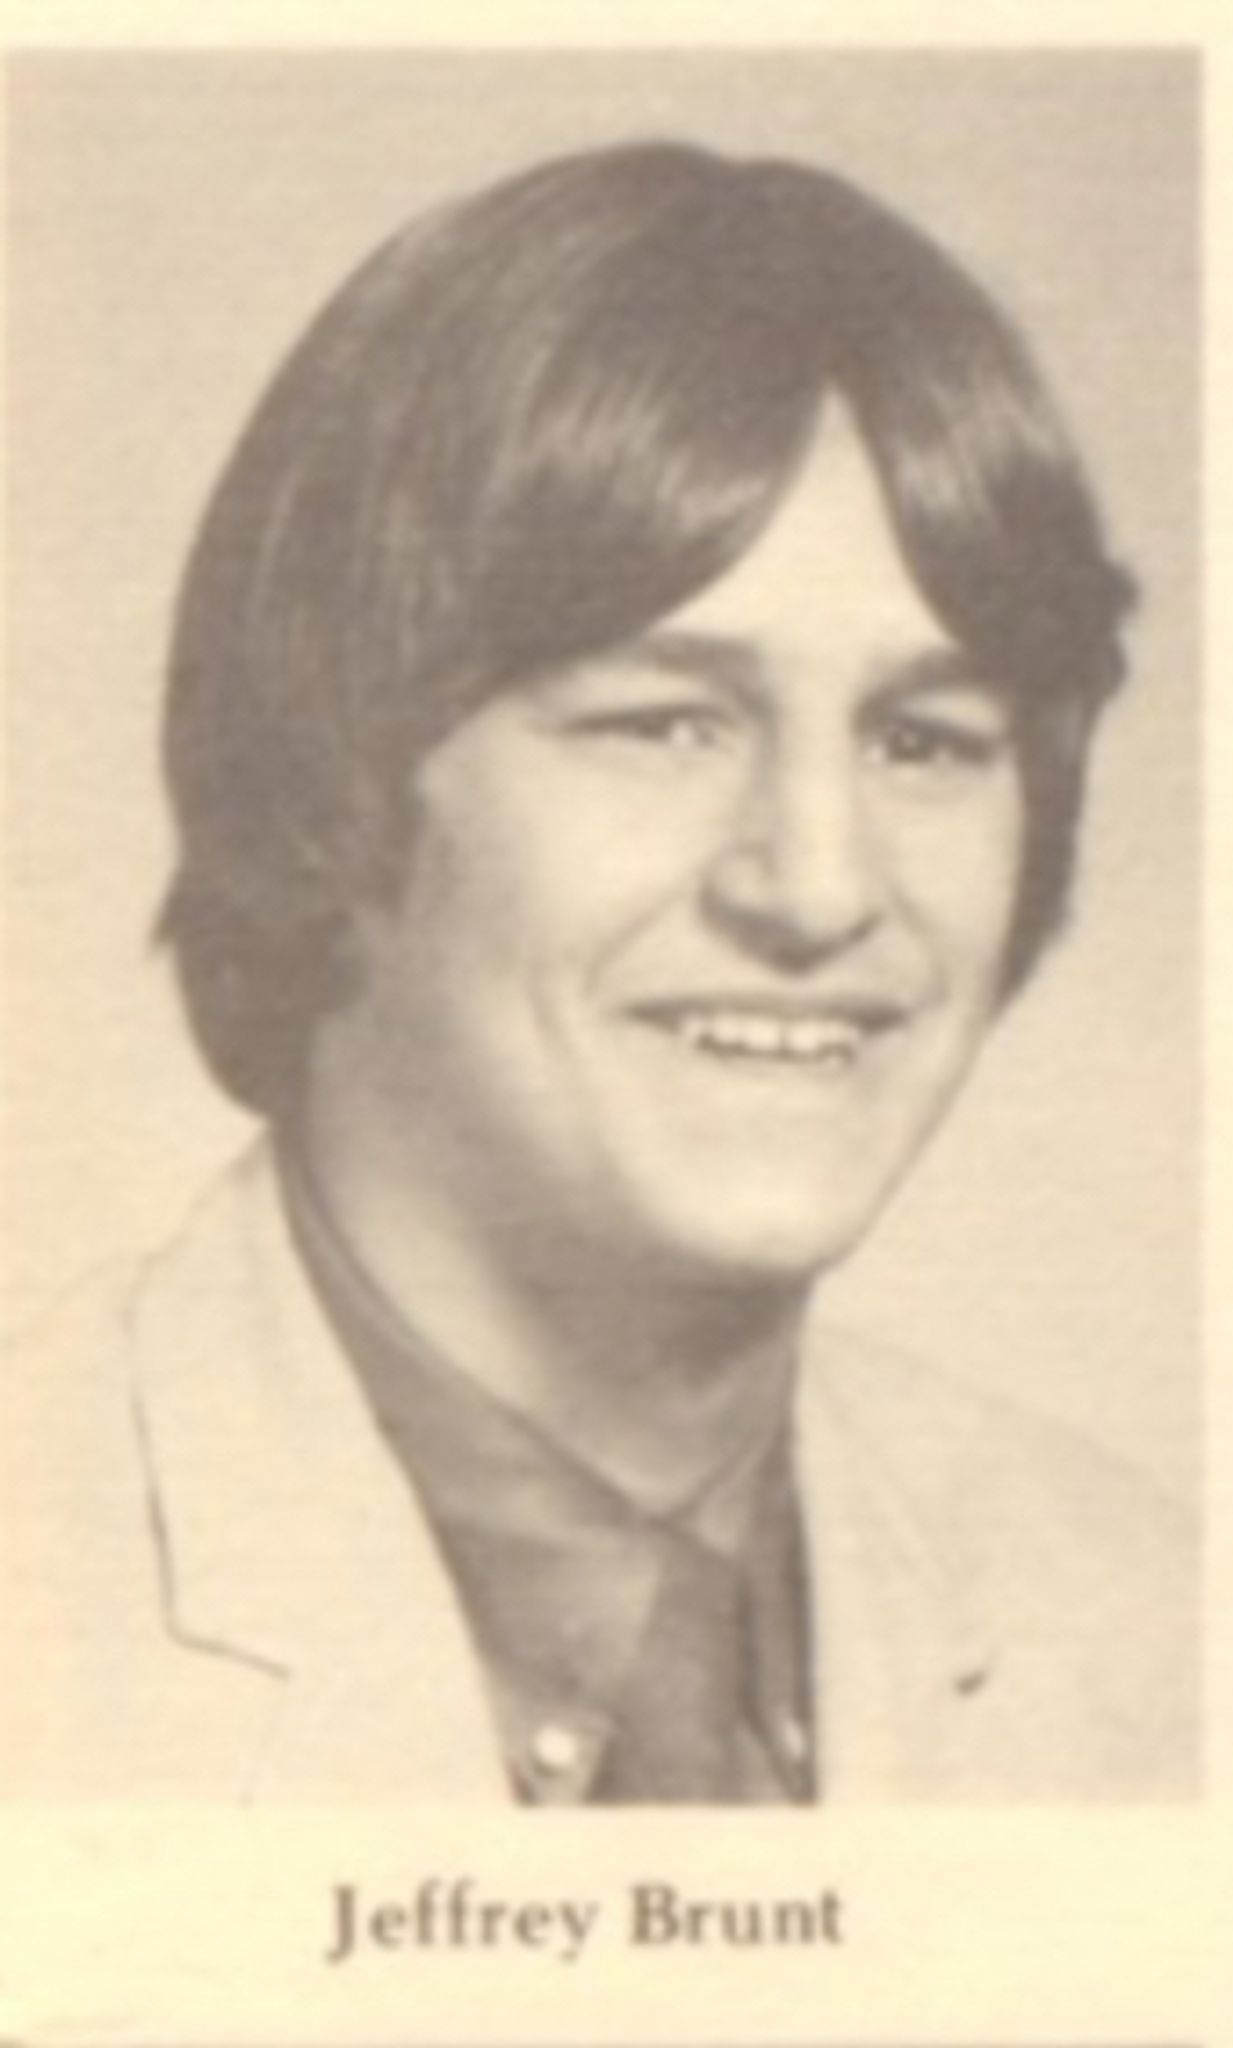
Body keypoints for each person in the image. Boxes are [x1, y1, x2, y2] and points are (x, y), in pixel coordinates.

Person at [4, 140, 1195, 1802]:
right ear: (325, 763)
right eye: (663, 724)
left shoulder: (1159, 1635)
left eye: (923, 740)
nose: (819, 885)